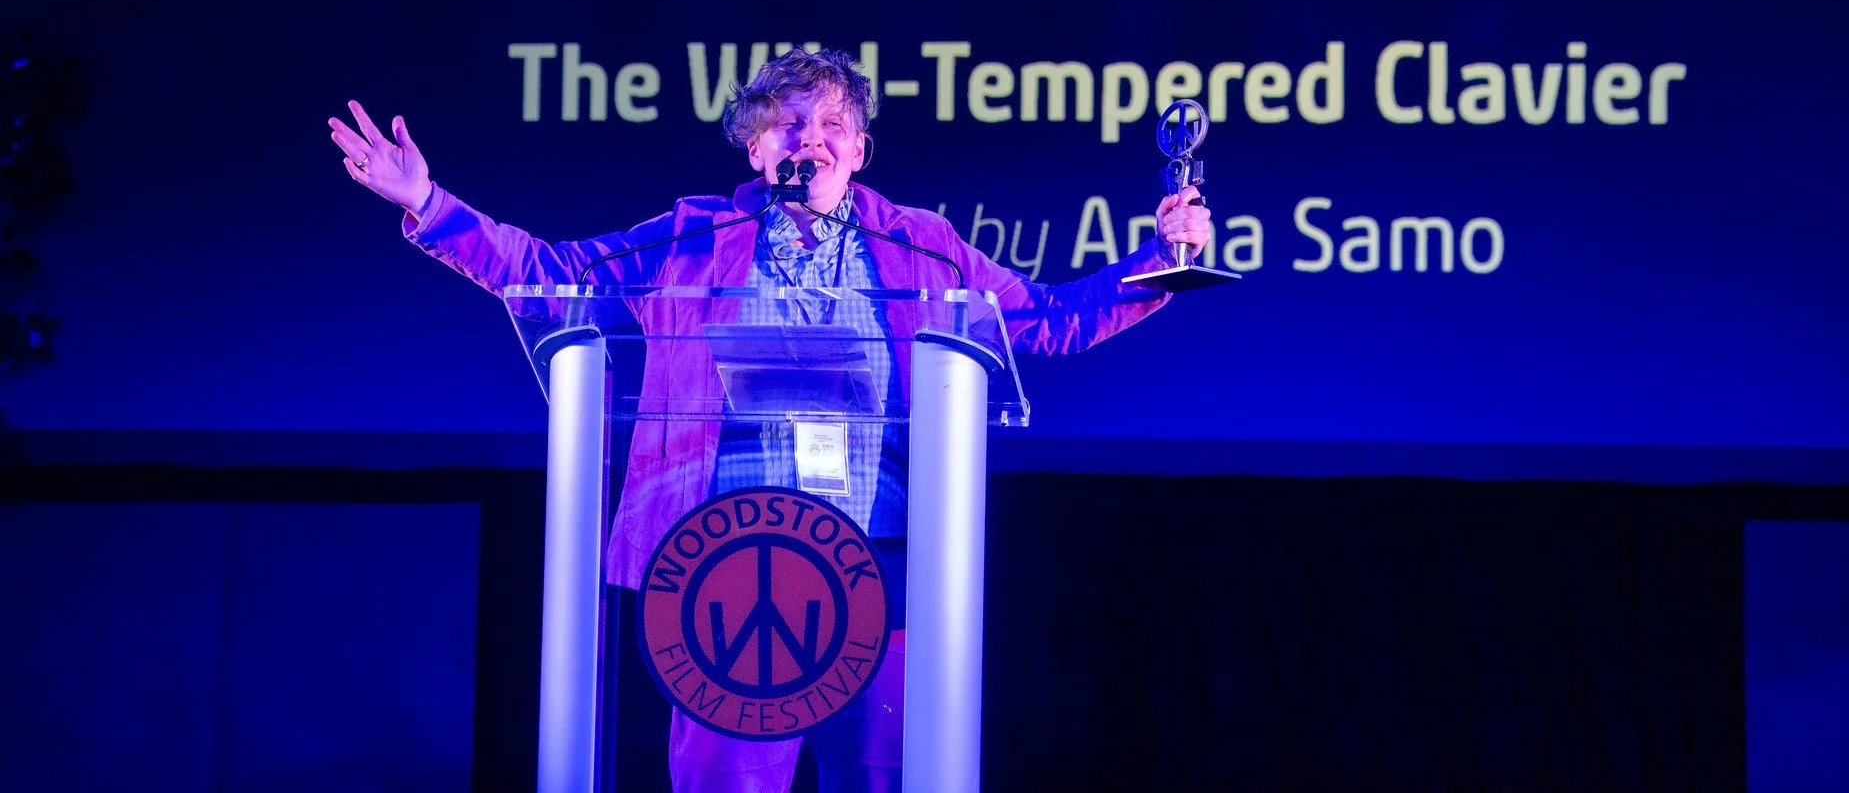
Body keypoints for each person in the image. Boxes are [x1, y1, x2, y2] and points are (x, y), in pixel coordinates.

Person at [327, 47, 1211, 793]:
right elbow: (552, 269)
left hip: (887, 562)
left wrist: (1159, 260)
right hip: (729, 562)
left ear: (859, 150)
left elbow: (1044, 320)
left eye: (831, 126)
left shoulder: (921, 243)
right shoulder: (690, 236)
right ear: (755, 150)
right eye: (789, 124)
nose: (811, 141)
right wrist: (428, 203)